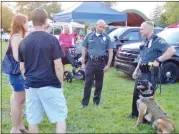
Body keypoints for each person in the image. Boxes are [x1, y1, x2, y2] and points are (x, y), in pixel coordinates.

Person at [18, 8, 67, 133]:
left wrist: (29, 79)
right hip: (50, 84)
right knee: (60, 118)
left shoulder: (23, 42)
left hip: (31, 85)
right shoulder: (52, 39)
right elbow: (58, 65)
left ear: (32, 21)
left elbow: (22, 67)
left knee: (33, 120)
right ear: (45, 21)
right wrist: (61, 83)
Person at [128, 21, 176, 118]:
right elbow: (141, 57)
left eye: (142, 28)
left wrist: (159, 59)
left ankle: (146, 118)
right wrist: (136, 70)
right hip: (142, 71)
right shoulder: (145, 41)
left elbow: (171, 50)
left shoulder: (157, 41)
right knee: (136, 93)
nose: (140, 30)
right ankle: (134, 114)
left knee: (146, 97)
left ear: (148, 29)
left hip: (151, 73)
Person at [81, 19, 114, 108]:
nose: (102, 28)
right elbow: (84, 49)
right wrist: (83, 63)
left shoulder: (106, 37)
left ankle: (96, 101)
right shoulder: (89, 36)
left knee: (99, 83)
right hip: (90, 62)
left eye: (103, 27)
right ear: (96, 26)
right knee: (87, 83)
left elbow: (111, 51)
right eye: (100, 26)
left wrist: (108, 65)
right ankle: (84, 103)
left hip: (101, 62)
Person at [4, 14, 28, 133]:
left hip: (17, 72)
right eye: (26, 22)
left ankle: (19, 125)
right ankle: (14, 128)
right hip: (17, 72)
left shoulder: (17, 36)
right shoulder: (17, 37)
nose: (28, 24)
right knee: (18, 100)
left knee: (19, 100)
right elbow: (17, 56)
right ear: (21, 24)